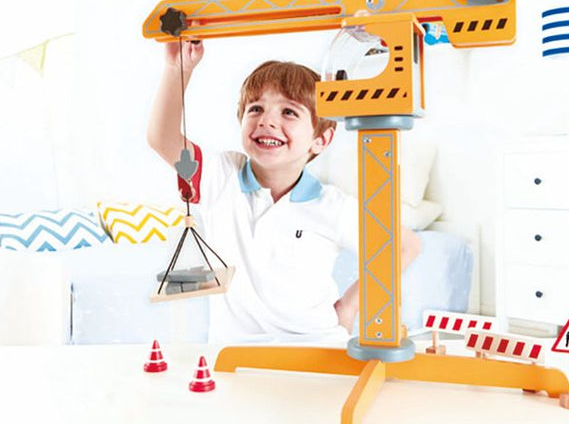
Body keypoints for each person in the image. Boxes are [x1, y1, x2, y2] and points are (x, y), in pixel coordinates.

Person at [147, 39, 421, 344]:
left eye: (289, 112)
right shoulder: (220, 177)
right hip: (235, 353)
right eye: (255, 108)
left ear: (321, 140)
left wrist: (349, 306)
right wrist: (177, 69)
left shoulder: (332, 206)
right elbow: (163, 138)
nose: (267, 120)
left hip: (315, 346)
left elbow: (406, 246)